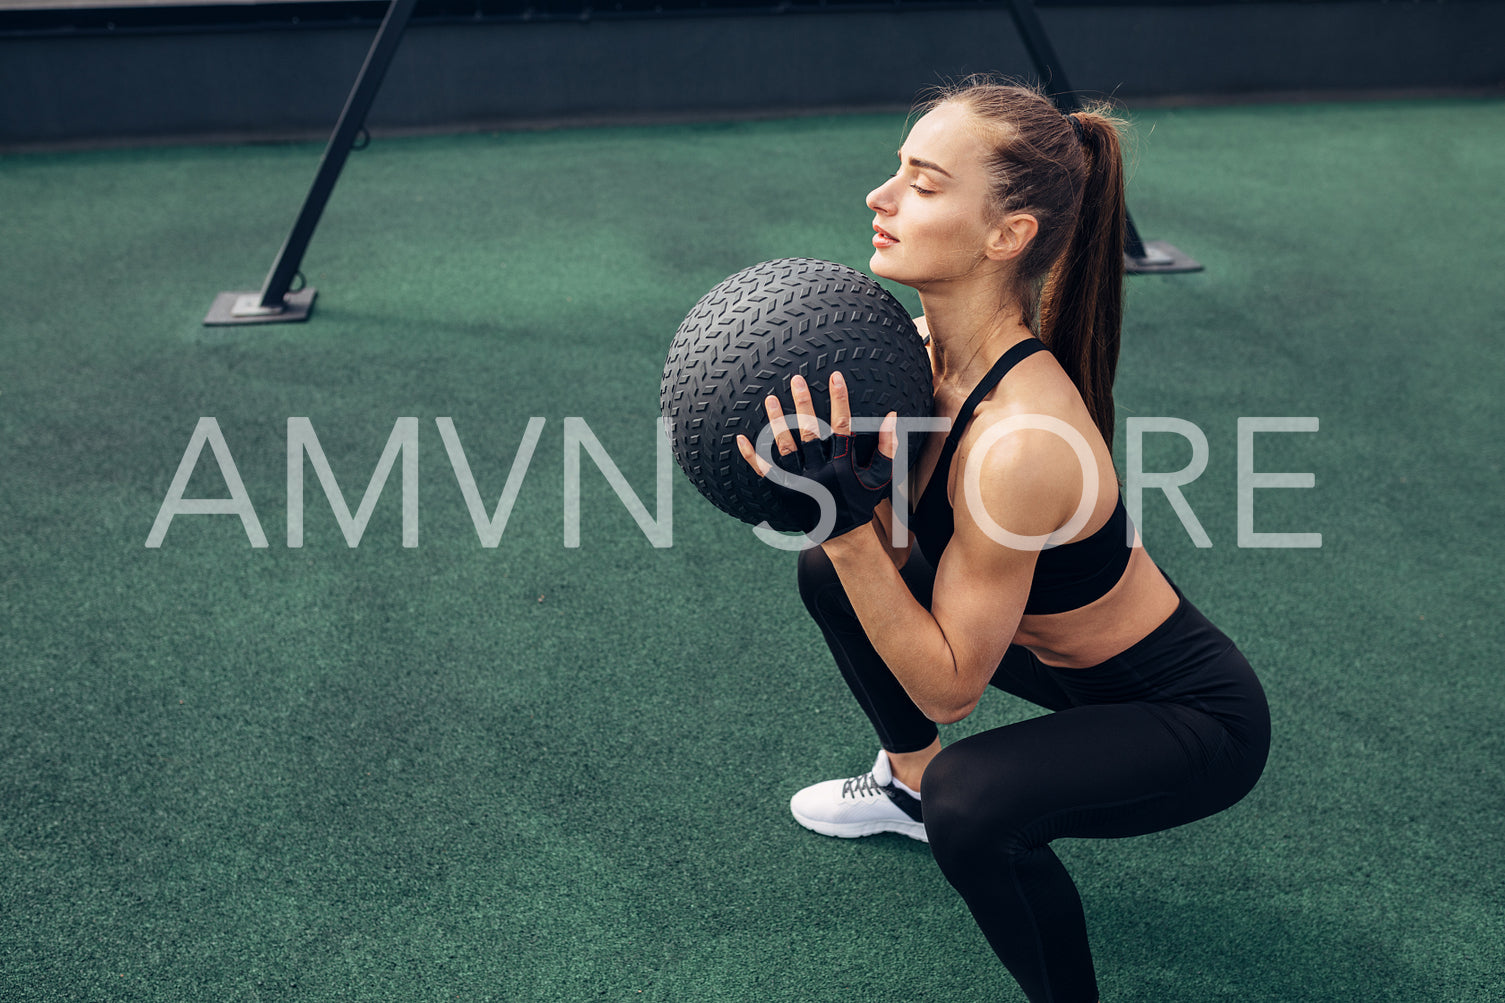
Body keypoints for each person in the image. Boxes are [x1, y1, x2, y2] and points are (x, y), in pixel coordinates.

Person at [734, 78, 1271, 1003]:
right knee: (833, 569)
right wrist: (847, 502)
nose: (881, 196)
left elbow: (949, 685)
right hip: (1051, 657)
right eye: (895, 171)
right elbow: (901, 557)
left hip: (1185, 718)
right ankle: (902, 787)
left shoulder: (1022, 439)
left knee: (971, 802)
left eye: (924, 182)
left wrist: (852, 521)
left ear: (1007, 234)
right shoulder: (913, 359)